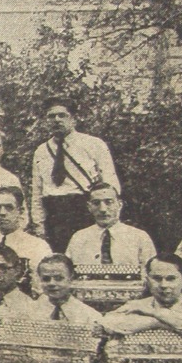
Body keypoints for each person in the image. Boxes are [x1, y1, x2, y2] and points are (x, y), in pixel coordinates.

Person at [29, 97, 120, 255]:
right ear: (46, 121)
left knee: (87, 256)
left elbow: (110, 182)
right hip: (54, 213)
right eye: (51, 116)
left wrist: (110, 216)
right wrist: (39, 224)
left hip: (83, 210)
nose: (56, 120)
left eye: (62, 115)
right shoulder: (41, 151)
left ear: (73, 118)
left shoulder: (93, 144)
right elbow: (37, 191)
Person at [0, 186, 54, 293]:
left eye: (9, 207)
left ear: (20, 211)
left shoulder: (38, 246)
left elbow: (44, 287)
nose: (2, 213)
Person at [64, 182, 156, 267]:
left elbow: (151, 274)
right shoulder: (79, 238)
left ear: (119, 205)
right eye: (96, 203)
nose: (102, 209)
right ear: (89, 207)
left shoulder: (139, 237)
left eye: (109, 202)